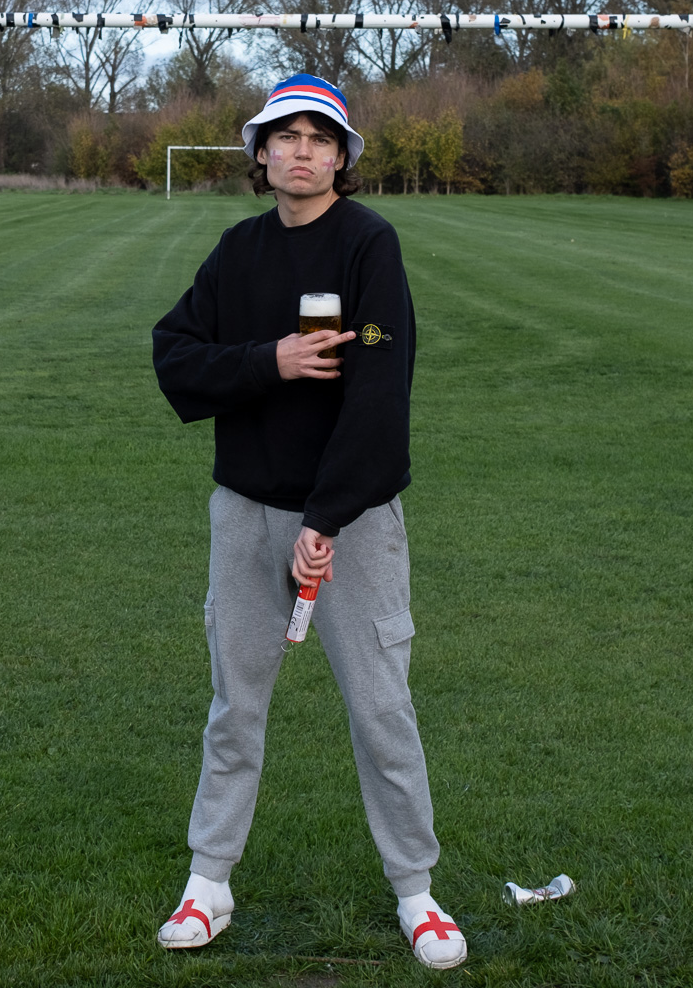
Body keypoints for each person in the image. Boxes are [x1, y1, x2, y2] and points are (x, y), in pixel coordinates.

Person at [148, 73, 466, 971]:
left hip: (351, 522)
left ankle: (417, 892)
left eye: (319, 138)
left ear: (341, 157)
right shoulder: (238, 251)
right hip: (245, 516)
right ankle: (210, 881)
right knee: (235, 705)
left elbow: (379, 397)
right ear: (258, 153)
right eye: (283, 136)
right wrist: (271, 361)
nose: (300, 151)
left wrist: (326, 517)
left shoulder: (369, 245)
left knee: (381, 709)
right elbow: (177, 359)